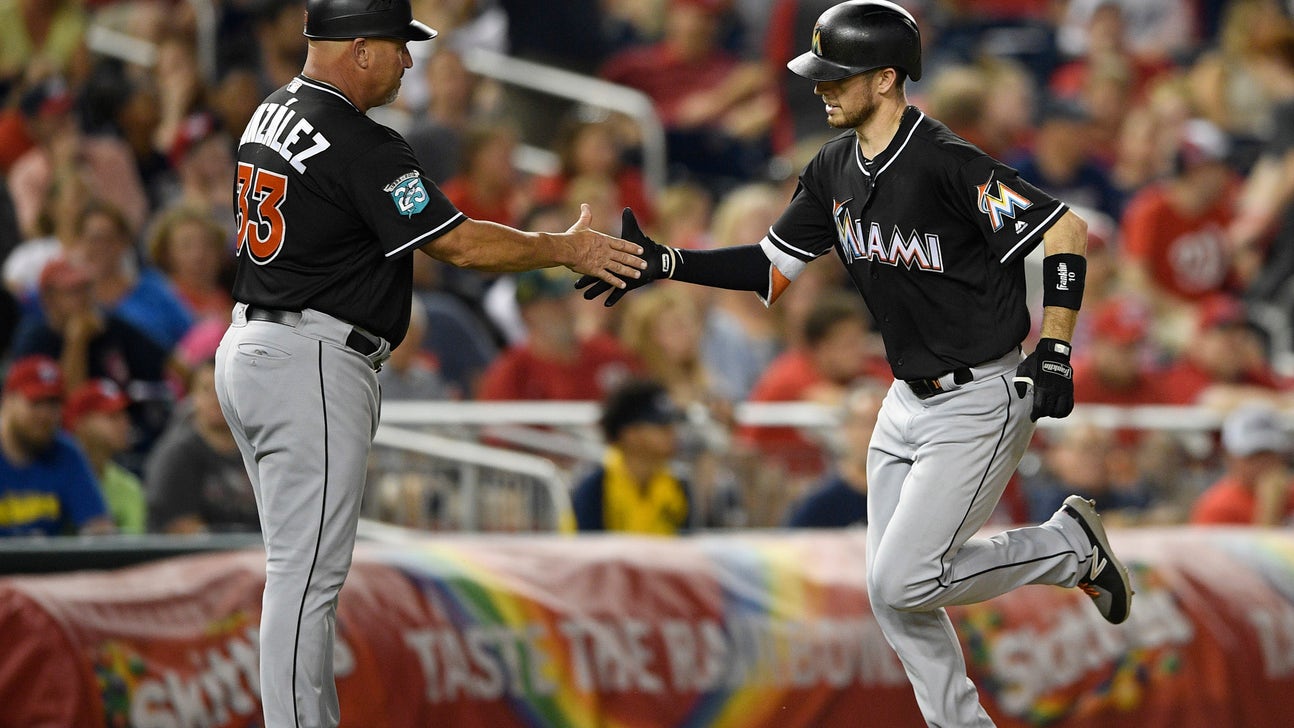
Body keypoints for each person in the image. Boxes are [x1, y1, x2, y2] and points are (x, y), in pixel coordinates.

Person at [575, 3, 1131, 725]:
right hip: (904, 400)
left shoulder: (945, 162)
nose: (822, 88)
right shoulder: (834, 165)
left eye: (839, 76)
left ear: (888, 78)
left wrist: (1055, 348)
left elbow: (1066, 231)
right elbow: (772, 269)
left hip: (981, 393)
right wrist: (668, 261)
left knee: (906, 580)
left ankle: (1068, 548)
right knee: (888, 590)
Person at [211, 2, 645, 726]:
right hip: (308, 358)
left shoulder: (271, 110)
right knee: (305, 577)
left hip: (256, 343)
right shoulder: (363, 141)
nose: (408, 61)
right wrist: (564, 248)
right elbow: (460, 245)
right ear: (357, 48)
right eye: (396, 46)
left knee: (298, 569)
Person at [477, 268, 642, 401]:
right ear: (527, 313)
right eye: (552, 303)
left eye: (567, 298)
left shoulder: (608, 352)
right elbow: (496, 436)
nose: (565, 309)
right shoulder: (513, 373)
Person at [0, 355, 114, 537]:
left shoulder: (66, 454)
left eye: (53, 404)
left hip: (48, 565)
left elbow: (100, 529)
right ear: (8, 400)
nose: (45, 414)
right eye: (36, 402)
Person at [147, 360, 258, 534]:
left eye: (224, 388)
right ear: (192, 398)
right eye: (206, 389)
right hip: (196, 558)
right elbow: (180, 527)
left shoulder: (256, 450)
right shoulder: (176, 455)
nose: (216, 398)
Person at [571, 377, 692, 534]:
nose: (672, 433)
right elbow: (586, 550)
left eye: (672, 425)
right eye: (661, 426)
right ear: (630, 434)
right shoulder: (595, 487)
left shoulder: (679, 486)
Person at [783, 383, 882, 527]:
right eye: (863, 424)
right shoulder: (821, 502)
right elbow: (791, 544)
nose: (871, 433)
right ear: (846, 429)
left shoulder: (908, 494)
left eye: (878, 423)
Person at [63, 378, 147, 534]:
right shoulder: (57, 479)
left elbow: (133, 550)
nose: (125, 423)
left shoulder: (129, 486)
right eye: (113, 417)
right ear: (81, 423)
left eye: (124, 415)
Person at [1191, 403, 1294, 525]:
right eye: (1253, 455)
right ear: (1230, 458)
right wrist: (1271, 506)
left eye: (1269, 453)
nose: (1263, 463)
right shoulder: (1218, 507)